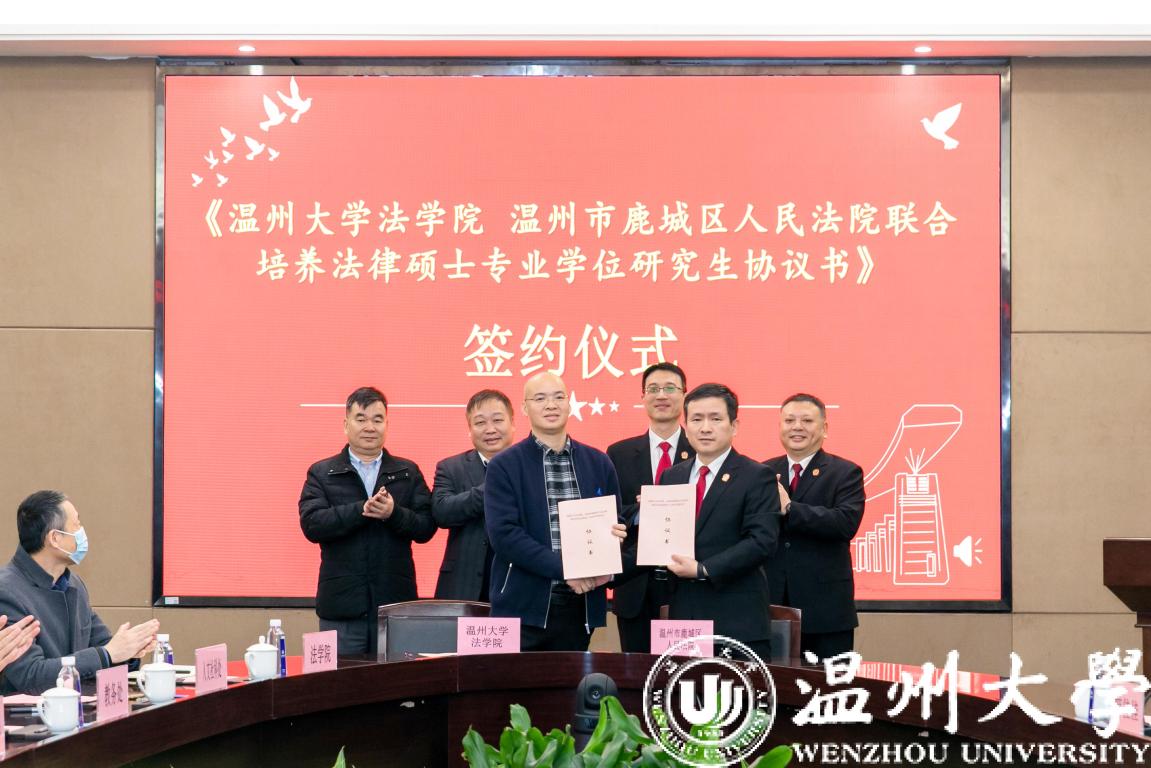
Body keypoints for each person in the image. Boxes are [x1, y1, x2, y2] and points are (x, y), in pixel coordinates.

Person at [484, 373, 625, 651]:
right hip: (523, 607)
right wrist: (567, 568)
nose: (551, 405)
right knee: (517, 680)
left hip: (581, 604)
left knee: (571, 679)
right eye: (540, 398)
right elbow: (504, 536)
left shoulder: (599, 462)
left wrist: (614, 536)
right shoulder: (504, 465)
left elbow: (614, 521)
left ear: (569, 404)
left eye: (558, 397)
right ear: (525, 408)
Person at [299, 386, 436, 655]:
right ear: (346, 424)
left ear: (387, 424)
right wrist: (361, 509)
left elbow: (427, 526)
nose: (370, 427)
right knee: (340, 679)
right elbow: (312, 524)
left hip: (395, 606)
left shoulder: (407, 471)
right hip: (341, 606)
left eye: (377, 419)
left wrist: (393, 514)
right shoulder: (322, 472)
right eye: (361, 419)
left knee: (397, 679)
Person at [658, 383, 779, 661]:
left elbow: (762, 541)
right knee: (681, 689)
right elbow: (659, 538)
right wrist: (607, 571)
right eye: (696, 419)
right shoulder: (671, 476)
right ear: (685, 426)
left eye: (715, 419)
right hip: (684, 619)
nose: (705, 428)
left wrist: (703, 569)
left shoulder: (757, 475)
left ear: (734, 426)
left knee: (739, 691)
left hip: (737, 621)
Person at [0, 490, 159, 694]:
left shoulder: (73, 583)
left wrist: (130, 650)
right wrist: (108, 654)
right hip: (30, 712)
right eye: (77, 524)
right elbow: (31, 675)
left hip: (79, 706)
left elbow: (104, 645)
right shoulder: (7, 591)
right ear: (55, 538)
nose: (82, 532)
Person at [764, 393, 865, 660]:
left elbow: (845, 523)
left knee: (829, 684)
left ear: (824, 428)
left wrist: (790, 508)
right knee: (773, 682)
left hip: (826, 609)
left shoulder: (845, 472)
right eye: (789, 421)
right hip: (771, 604)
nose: (797, 427)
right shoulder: (763, 472)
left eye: (807, 421)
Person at [607, 362, 694, 653]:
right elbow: (611, 513)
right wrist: (641, 512)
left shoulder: (702, 449)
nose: (662, 395)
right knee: (637, 674)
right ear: (643, 397)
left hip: (688, 584)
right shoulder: (618, 453)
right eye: (653, 389)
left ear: (684, 395)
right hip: (635, 588)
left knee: (685, 672)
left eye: (670, 388)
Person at [432, 388, 516, 601]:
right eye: (480, 423)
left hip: (517, 584)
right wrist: (494, 486)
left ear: (512, 424)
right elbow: (442, 513)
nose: (490, 429)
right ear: (469, 429)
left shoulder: (530, 467)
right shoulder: (450, 467)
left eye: (498, 420)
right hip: (463, 586)